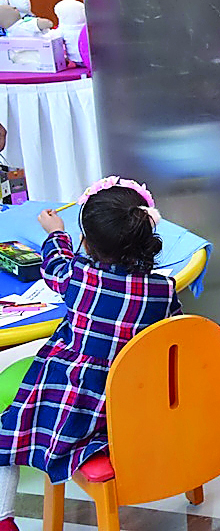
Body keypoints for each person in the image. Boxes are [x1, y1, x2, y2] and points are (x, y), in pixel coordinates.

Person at [0, 178, 181, 531]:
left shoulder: (80, 278)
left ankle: (4, 519)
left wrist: (56, 232)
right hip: (139, 408)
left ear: (87, 242)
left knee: (4, 434)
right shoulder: (163, 291)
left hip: (77, 410)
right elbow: (171, 331)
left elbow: (53, 265)